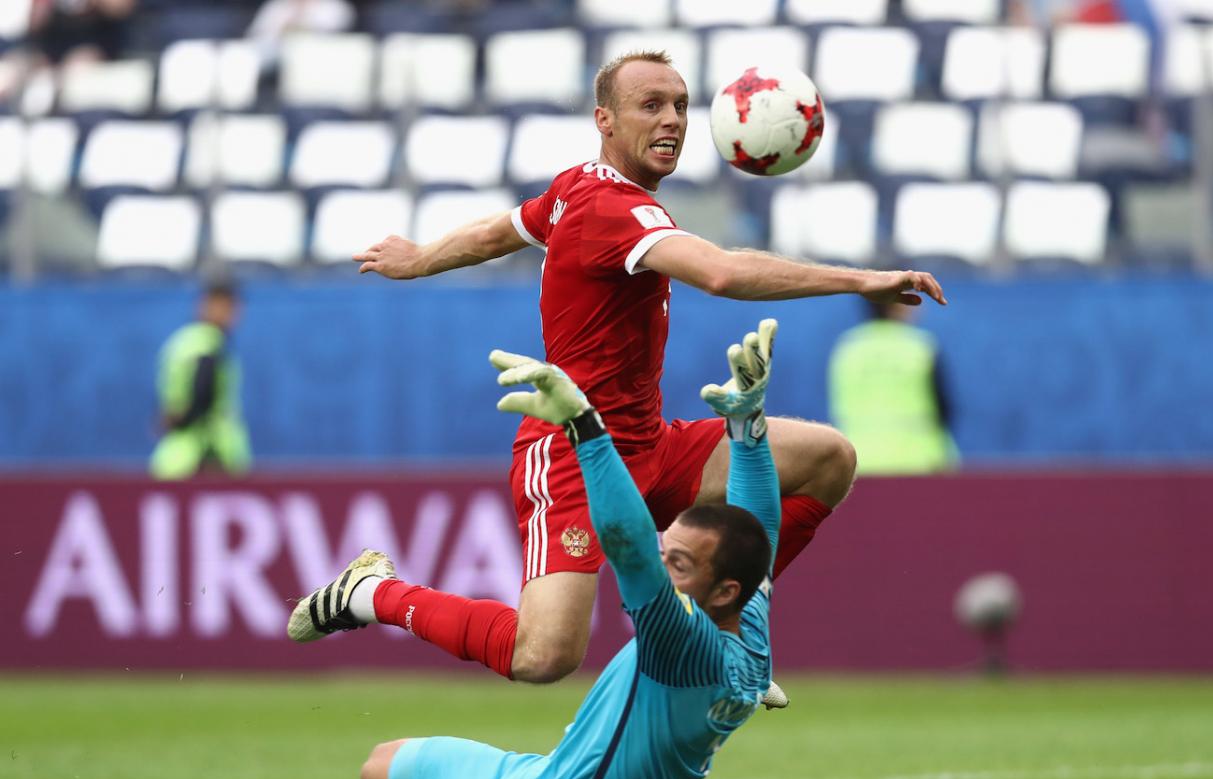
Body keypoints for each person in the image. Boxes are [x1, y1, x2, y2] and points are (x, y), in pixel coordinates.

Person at [350, 50, 946, 686]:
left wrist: (421, 257)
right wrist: (862, 279)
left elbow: (499, 231)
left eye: (682, 106)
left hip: (649, 447)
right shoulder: (612, 208)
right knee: (543, 656)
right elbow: (720, 272)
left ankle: (727, 629)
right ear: (604, 119)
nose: (673, 121)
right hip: (575, 453)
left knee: (828, 458)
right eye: (651, 106)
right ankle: (372, 593)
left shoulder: (577, 187)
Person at [289, 320, 783, 779]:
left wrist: (586, 430)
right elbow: (761, 528)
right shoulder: (746, 619)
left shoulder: (685, 644)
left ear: (723, 590)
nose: (662, 567)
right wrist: (747, 428)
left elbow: (628, 543)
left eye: (678, 564)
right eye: (668, 551)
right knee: (382, 766)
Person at [829, 300, 958, 475]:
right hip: (918, 462)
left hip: (858, 463)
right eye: (914, 299)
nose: (920, 307)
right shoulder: (921, 346)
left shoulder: (847, 347)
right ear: (897, 305)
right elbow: (944, 409)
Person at [150, 282, 251, 479]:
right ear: (205, 306)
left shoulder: (183, 341)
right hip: (203, 455)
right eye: (227, 307)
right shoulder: (207, 344)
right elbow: (203, 394)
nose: (232, 315)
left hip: (174, 456)